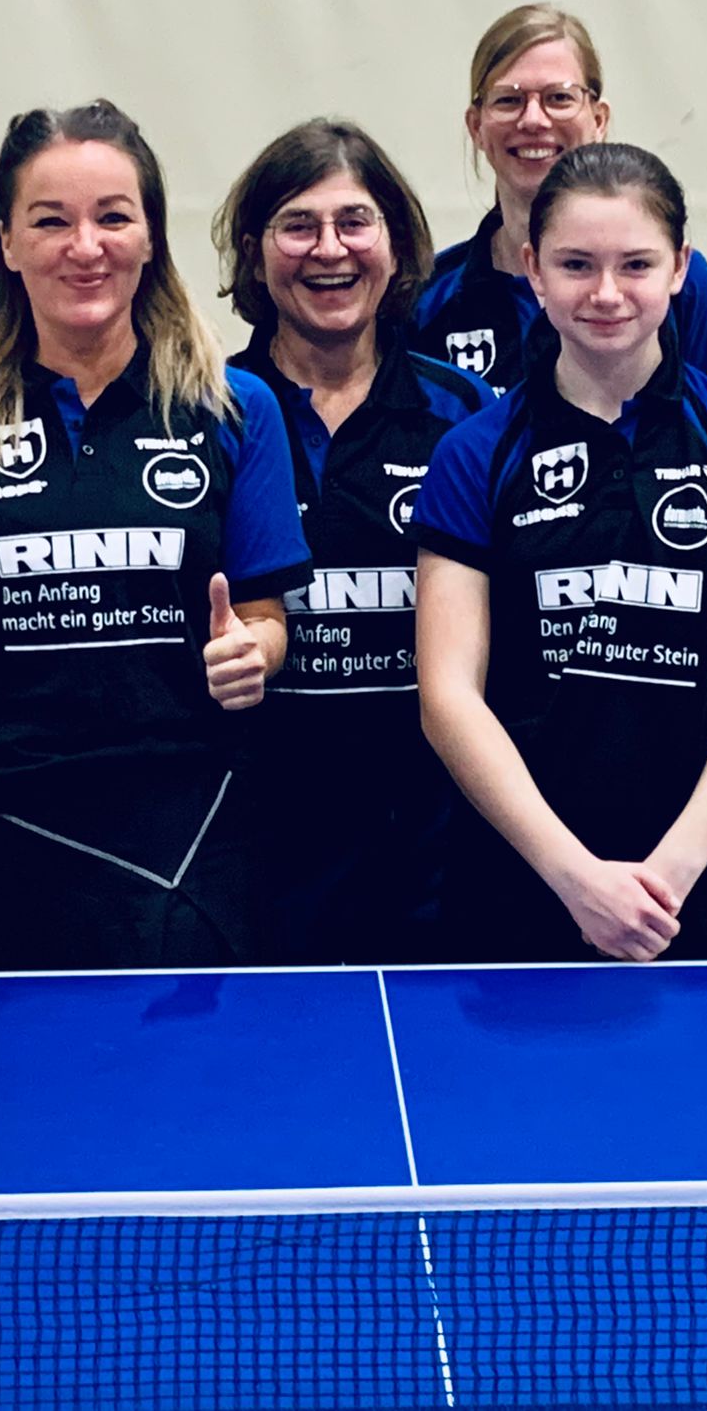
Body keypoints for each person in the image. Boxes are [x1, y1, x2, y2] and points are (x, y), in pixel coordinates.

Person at [0, 101, 311, 977]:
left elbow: (264, 612)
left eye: (112, 217)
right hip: (1, 832)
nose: (85, 245)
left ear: (150, 238)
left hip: (194, 832)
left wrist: (257, 650)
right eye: (50, 220)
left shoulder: (233, 409)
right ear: (8, 242)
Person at [414, 143, 707, 964]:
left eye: (636, 264)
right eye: (576, 264)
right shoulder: (473, 454)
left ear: (681, 269)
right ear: (533, 269)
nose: (606, 293)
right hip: (521, 881)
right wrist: (573, 878)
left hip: (700, 885)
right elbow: (448, 693)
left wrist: (669, 874)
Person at [213, 119, 488, 964]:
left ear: (397, 245)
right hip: (248, 848)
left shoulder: (467, 419)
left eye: (354, 222)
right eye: (298, 225)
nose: (329, 249)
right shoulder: (203, 411)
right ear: (255, 253)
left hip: (428, 854)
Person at [411, 3, 707, 397]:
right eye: (508, 100)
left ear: (598, 119)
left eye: (559, 98)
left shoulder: (676, 282)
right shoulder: (429, 298)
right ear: (476, 126)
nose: (533, 120)